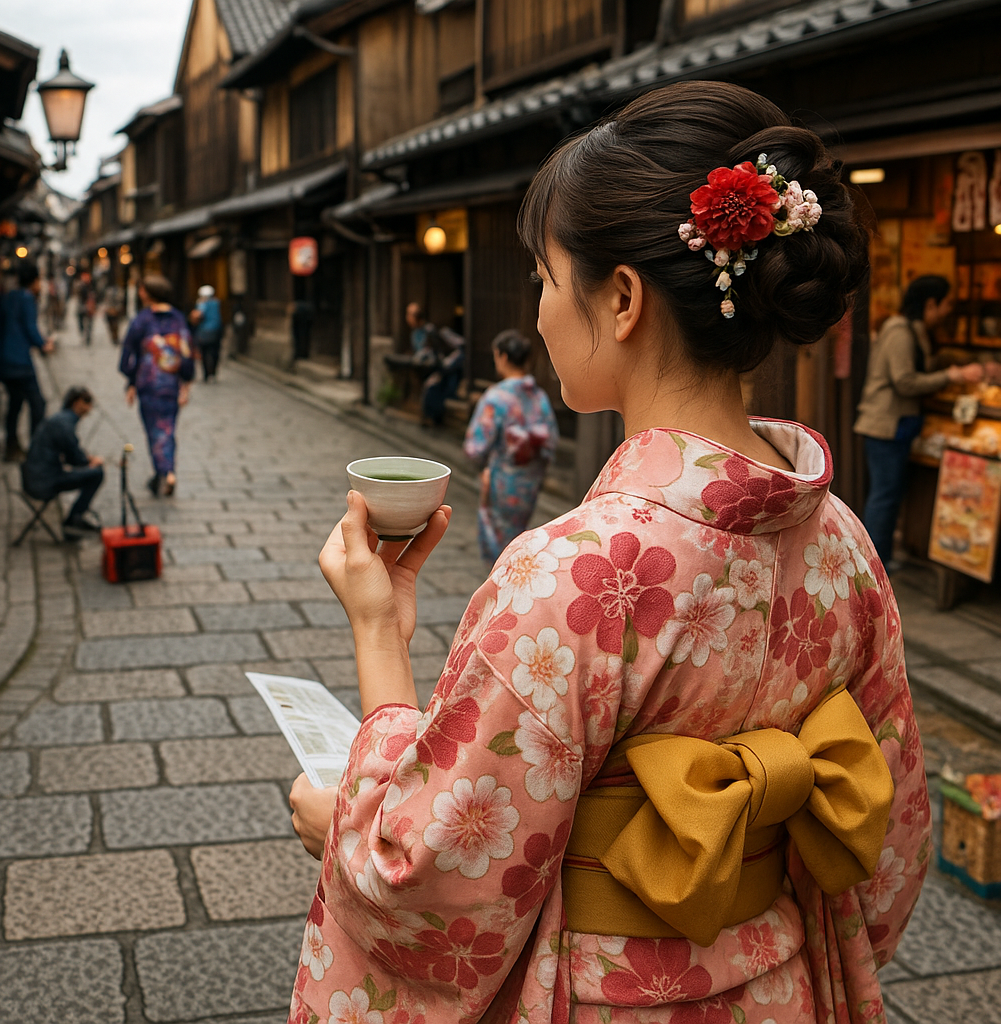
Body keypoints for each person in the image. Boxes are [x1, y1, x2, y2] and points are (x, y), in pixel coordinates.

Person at [286, 82, 930, 1024]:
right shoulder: (844, 543)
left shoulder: (572, 576)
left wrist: (376, 651)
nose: (542, 311)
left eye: (547, 279)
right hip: (782, 984)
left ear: (622, 299)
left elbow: (423, 881)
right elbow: (891, 845)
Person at [854, 275, 984, 568]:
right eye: (946, 303)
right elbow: (905, 382)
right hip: (885, 426)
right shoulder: (899, 332)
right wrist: (952, 376)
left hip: (897, 425)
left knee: (890, 495)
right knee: (884, 497)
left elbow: (920, 369)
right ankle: (873, 566)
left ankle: (882, 557)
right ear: (930, 304)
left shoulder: (914, 331)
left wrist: (949, 364)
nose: (949, 310)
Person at [464, 329, 559, 562]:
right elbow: (551, 440)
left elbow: (475, 445)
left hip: (503, 479)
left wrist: (483, 467)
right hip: (530, 480)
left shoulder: (496, 397)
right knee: (518, 533)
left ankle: (502, 577)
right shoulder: (539, 396)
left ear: (503, 356)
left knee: (498, 538)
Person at [119, 274, 194, 496]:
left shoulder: (142, 320)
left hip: (148, 382)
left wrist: (131, 380)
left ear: (147, 294)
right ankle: (166, 472)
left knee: (154, 430)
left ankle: (164, 472)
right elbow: (186, 352)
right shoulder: (178, 319)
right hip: (171, 383)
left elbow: (128, 354)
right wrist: (186, 383)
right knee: (168, 428)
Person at [22, 385, 104, 534]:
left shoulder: (60, 419)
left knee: (91, 472)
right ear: (77, 403)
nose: (90, 407)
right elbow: (75, 459)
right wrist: (90, 462)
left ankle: (75, 517)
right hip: (44, 482)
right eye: (87, 402)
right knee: (97, 474)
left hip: (35, 476)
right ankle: (73, 519)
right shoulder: (65, 424)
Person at [0, 261, 54, 462]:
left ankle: (11, 446)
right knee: (38, 404)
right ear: (34, 281)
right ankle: (35, 448)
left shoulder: (7, 297)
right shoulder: (27, 298)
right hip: (20, 361)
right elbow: (30, 327)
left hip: (5, 360)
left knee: (15, 403)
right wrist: (44, 344)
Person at [419, 324, 465, 427]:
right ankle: (429, 416)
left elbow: (447, 368)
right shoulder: (449, 352)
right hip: (444, 380)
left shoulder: (461, 354)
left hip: (450, 384)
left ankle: (434, 417)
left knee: (433, 390)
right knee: (430, 386)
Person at [190, 284, 223, 380]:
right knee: (215, 351)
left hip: (204, 331)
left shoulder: (202, 303)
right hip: (216, 329)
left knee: (204, 352)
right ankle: (213, 372)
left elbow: (198, 315)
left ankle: (206, 374)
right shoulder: (216, 302)